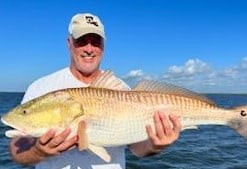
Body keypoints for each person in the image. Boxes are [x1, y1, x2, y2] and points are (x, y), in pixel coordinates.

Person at [9, 13, 182, 169]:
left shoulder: (122, 89)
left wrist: (155, 145)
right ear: (69, 43)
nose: (89, 48)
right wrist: (39, 152)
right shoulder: (41, 87)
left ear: (103, 45)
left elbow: (137, 148)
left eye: (95, 41)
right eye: (81, 41)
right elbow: (17, 152)